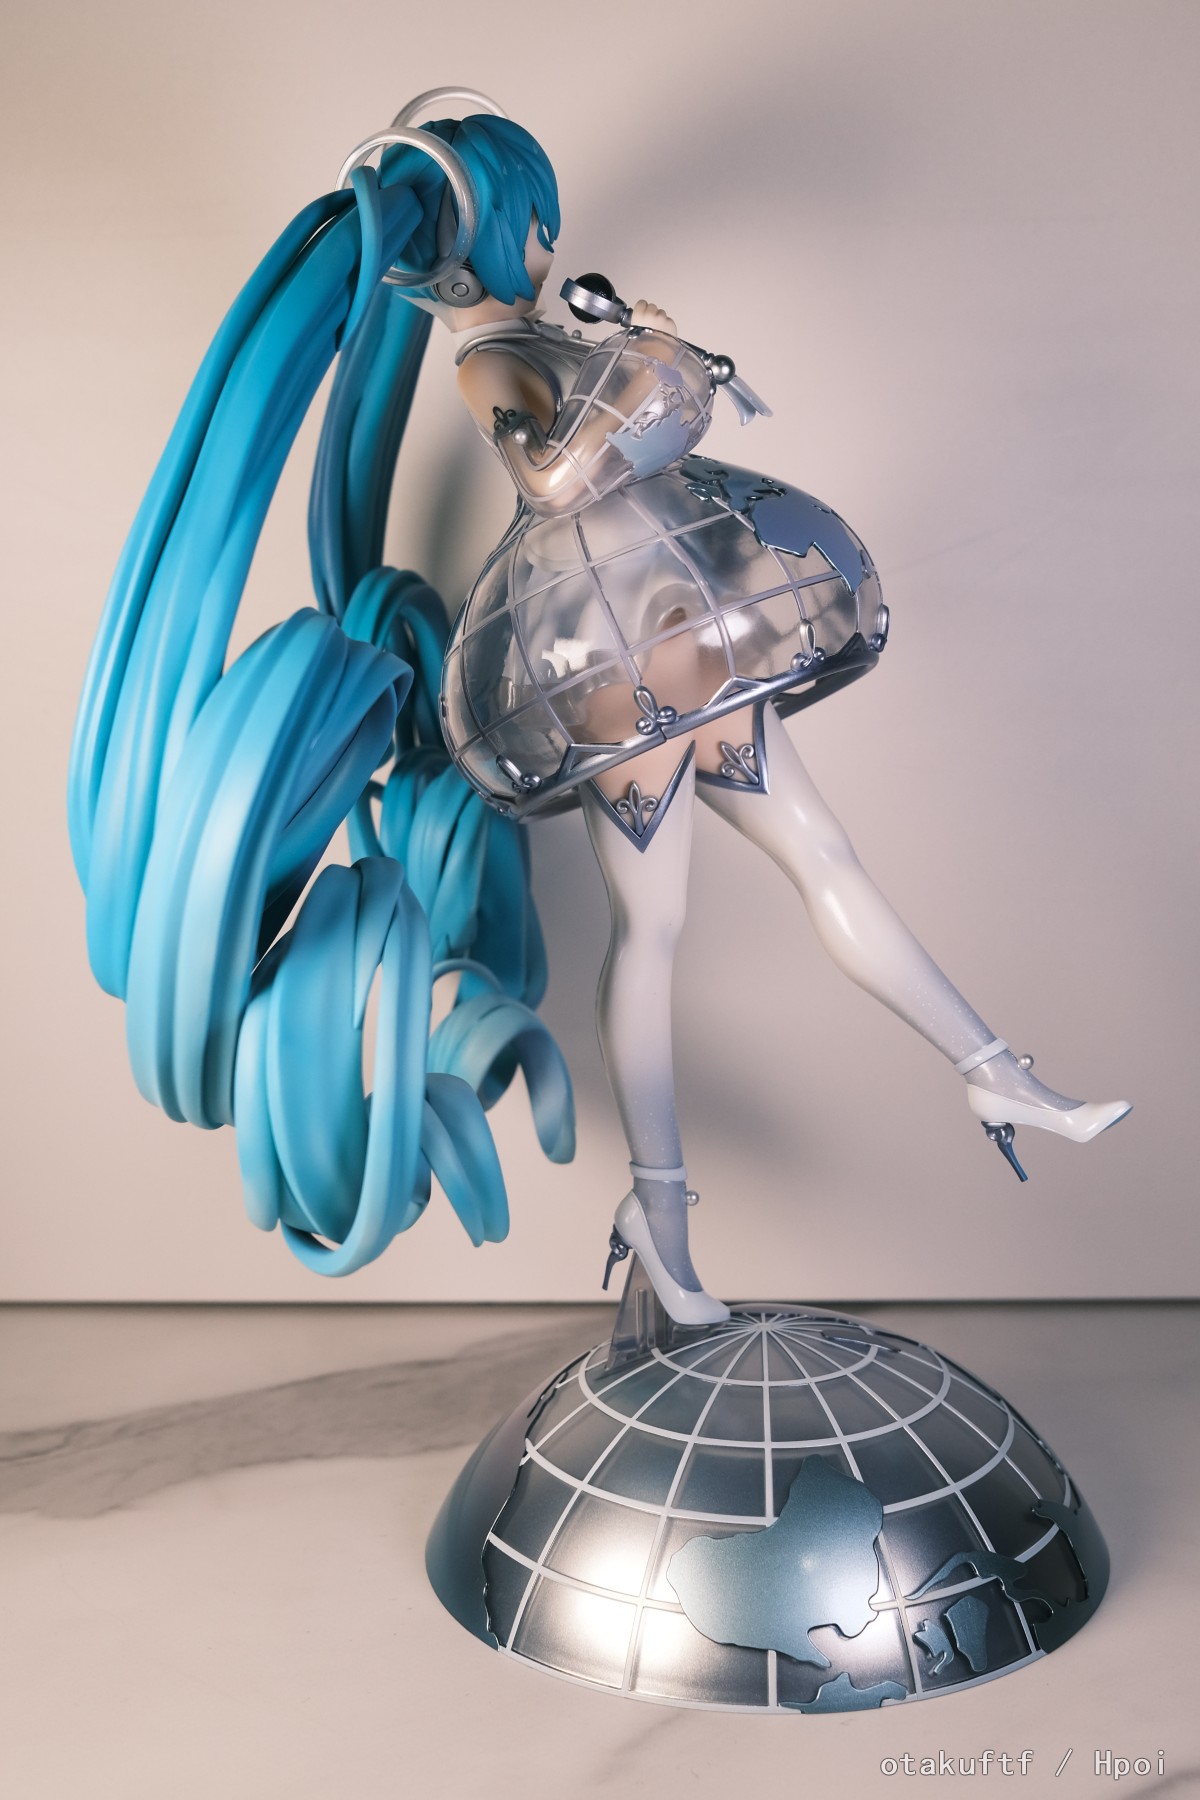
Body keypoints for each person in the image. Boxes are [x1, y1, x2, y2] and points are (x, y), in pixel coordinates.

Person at [69, 90, 1128, 1313]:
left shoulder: (544, 337)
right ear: (492, 227)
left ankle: (992, 1070)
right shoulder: (490, 359)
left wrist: (647, 367)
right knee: (658, 935)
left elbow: (633, 454)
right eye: (536, 224)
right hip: (615, 672)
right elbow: (553, 478)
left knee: (819, 859)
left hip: (682, 648)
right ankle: (662, 1210)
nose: (548, 246)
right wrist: (644, 374)